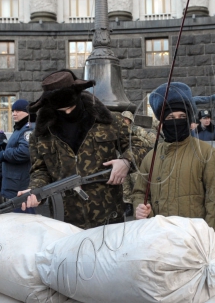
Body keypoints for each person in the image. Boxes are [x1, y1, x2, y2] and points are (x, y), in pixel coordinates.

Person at [20, 70, 149, 229]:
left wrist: (126, 161)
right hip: (66, 223)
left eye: (72, 107)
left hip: (109, 217)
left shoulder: (109, 121)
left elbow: (140, 146)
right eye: (62, 111)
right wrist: (35, 191)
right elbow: (40, 170)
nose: (68, 113)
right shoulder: (40, 135)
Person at [133, 83, 215, 241]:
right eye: (170, 117)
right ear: (162, 123)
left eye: (182, 117)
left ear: (189, 120)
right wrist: (140, 209)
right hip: (157, 241)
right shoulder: (151, 157)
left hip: (193, 244)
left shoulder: (208, 155)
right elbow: (140, 193)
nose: (176, 121)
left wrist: (210, 244)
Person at [0, 99, 35, 206]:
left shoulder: (28, 129)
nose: (14, 113)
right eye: (13, 111)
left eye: (18, 111)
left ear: (27, 113)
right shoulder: (19, 128)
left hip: (19, 185)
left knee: (22, 217)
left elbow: (25, 152)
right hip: (13, 183)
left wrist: (5, 154)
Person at [120, 111, 154, 216]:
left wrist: (136, 139)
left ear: (130, 120)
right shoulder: (120, 131)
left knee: (136, 184)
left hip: (136, 161)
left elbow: (150, 142)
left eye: (126, 119)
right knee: (125, 186)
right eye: (122, 119)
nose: (124, 121)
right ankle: (128, 205)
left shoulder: (137, 130)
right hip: (123, 160)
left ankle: (138, 207)